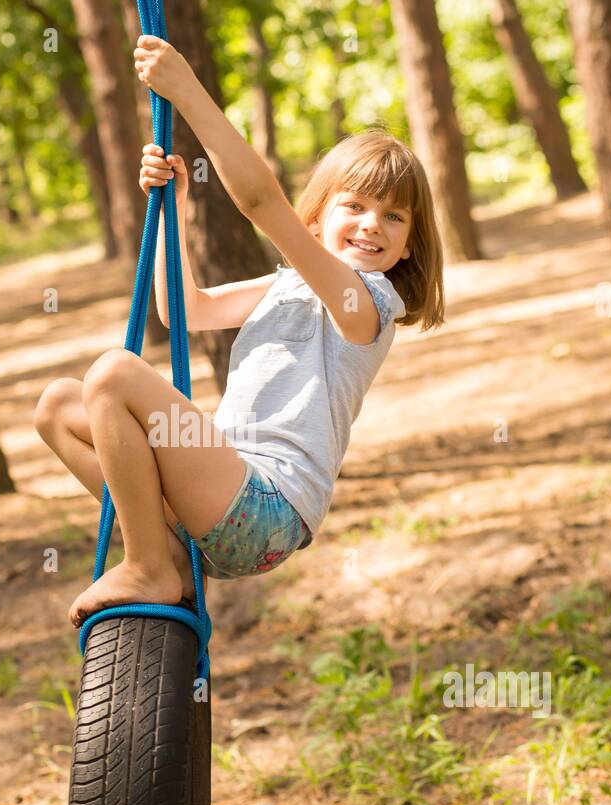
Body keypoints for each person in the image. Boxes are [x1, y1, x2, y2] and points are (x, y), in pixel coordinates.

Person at [34, 34, 445, 629]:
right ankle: (165, 550)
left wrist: (186, 89)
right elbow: (187, 311)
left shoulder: (370, 304)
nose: (371, 225)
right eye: (354, 206)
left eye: (394, 216)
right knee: (59, 406)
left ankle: (148, 562)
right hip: (223, 495)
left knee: (116, 375)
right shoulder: (288, 286)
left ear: (409, 246)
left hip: (268, 508)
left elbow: (259, 201)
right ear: (321, 213)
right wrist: (171, 203)